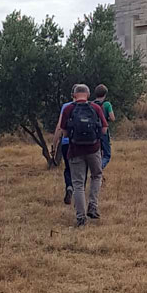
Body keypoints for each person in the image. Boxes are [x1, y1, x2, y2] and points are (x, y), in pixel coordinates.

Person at [54, 84, 108, 227]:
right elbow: (104, 129)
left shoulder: (68, 109)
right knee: (96, 176)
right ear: (88, 94)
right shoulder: (96, 108)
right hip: (93, 149)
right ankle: (93, 205)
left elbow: (64, 132)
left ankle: (81, 218)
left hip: (75, 150)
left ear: (74, 94)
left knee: (78, 183)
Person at [52, 85, 77, 205]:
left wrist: (54, 144)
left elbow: (59, 127)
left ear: (72, 94)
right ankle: (80, 197)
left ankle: (69, 187)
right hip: (83, 144)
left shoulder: (66, 107)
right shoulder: (89, 106)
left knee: (68, 169)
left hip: (67, 143)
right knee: (81, 170)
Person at [93, 84, 115, 171]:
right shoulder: (107, 104)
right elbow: (112, 118)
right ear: (105, 94)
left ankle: (97, 173)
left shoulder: (91, 104)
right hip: (104, 131)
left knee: (97, 153)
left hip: (93, 132)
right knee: (106, 155)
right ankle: (98, 169)